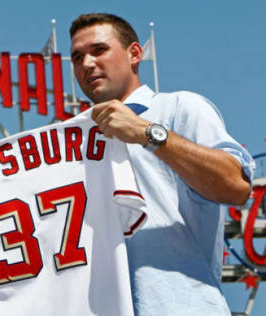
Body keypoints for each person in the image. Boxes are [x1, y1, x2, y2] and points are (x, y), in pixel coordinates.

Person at [69, 13, 255, 316]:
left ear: (135, 54)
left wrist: (147, 133)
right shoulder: (69, 143)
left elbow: (235, 186)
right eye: (77, 57)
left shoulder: (178, 107)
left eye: (99, 50)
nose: (87, 63)